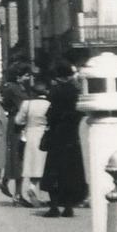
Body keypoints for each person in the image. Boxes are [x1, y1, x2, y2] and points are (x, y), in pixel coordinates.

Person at [39, 72, 86, 217]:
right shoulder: (75, 104)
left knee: (53, 174)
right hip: (72, 142)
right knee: (70, 175)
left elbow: (48, 118)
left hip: (56, 141)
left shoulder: (55, 103)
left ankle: (54, 207)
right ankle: (68, 207)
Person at [14, 79, 51, 207]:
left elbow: (18, 121)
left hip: (30, 135)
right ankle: (38, 191)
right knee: (43, 165)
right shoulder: (49, 103)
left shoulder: (26, 104)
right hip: (44, 135)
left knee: (32, 164)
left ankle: (31, 186)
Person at [0, 68, 29, 197]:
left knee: (16, 156)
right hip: (18, 123)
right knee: (18, 157)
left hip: (15, 122)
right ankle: (18, 194)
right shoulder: (15, 89)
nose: (28, 78)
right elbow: (23, 106)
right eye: (26, 75)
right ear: (18, 76)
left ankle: (6, 181)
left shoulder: (13, 87)